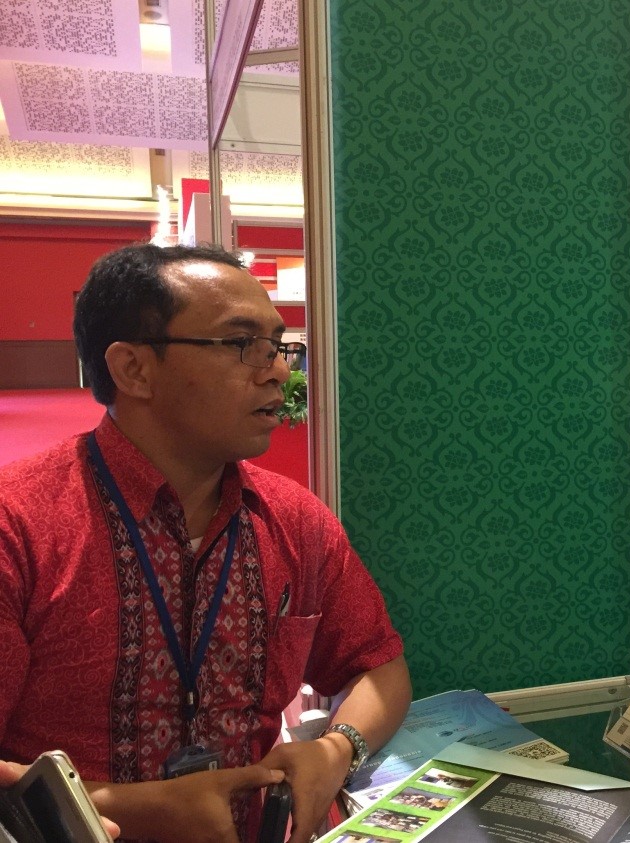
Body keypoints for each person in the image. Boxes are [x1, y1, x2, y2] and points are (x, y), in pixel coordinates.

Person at [0, 244, 412, 842]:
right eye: (241, 343)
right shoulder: (20, 526)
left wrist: (337, 748)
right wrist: (135, 807)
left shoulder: (294, 519)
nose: (278, 372)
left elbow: (378, 666)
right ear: (133, 369)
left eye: (276, 347)